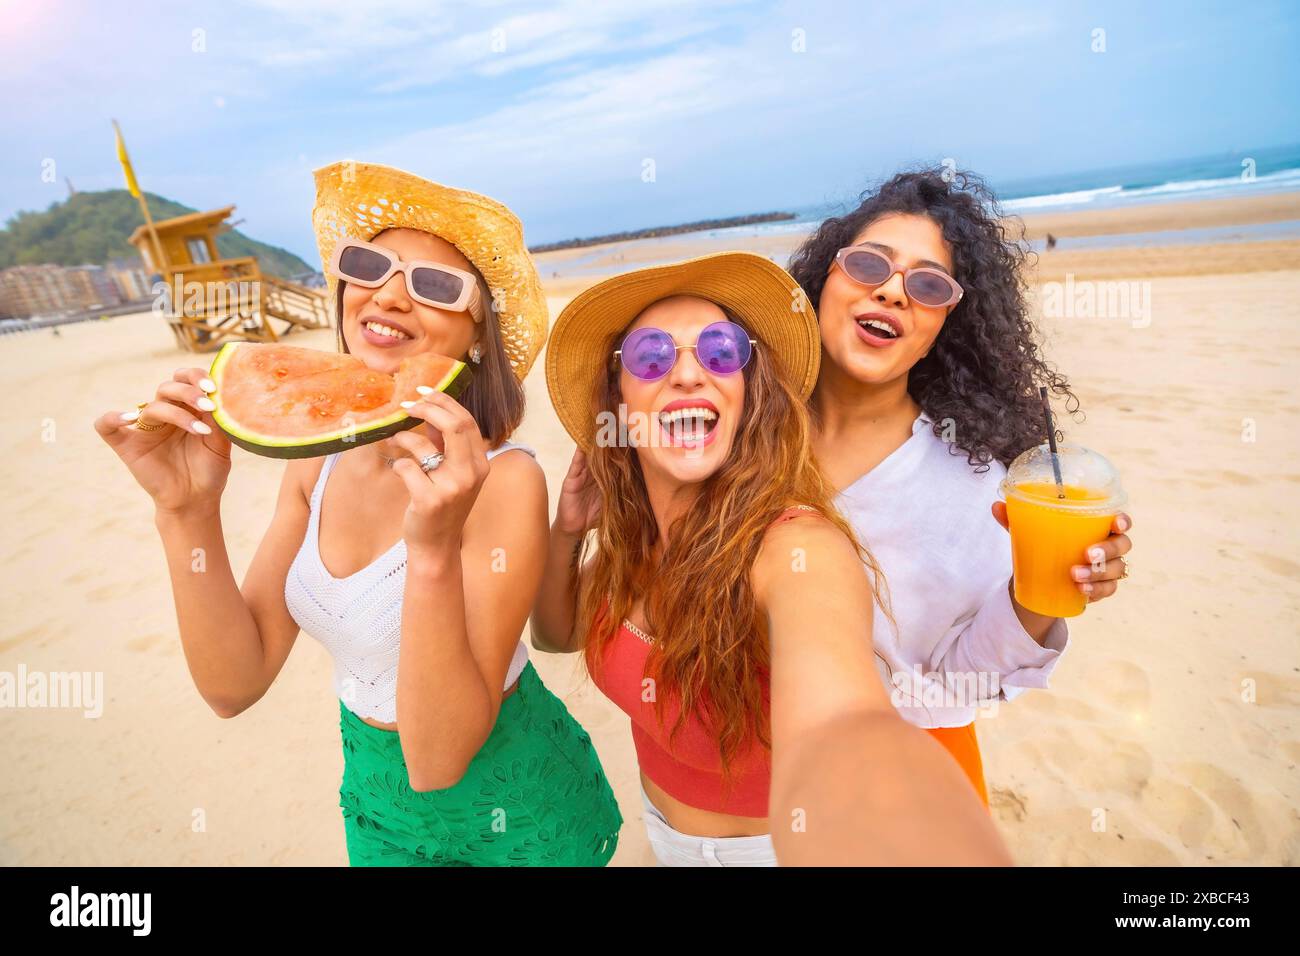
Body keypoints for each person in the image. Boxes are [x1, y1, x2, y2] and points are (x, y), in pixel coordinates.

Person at [94, 161, 622, 867]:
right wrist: (185, 512)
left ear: (476, 338)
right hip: (375, 811)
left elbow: (438, 760)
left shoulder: (505, 483)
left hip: (519, 814)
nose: (390, 296)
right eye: (368, 265)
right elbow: (234, 684)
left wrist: (431, 551)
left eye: (435, 285)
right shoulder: (318, 460)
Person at [531, 252, 1009, 866]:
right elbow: (554, 635)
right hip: (663, 837)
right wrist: (568, 530)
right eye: (651, 356)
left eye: (720, 352)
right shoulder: (633, 540)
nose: (687, 375)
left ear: (745, 392)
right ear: (619, 407)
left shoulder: (794, 550)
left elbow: (844, 727)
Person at [786, 167, 1136, 802]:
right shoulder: (747, 432)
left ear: (949, 325)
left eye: (928, 284)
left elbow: (955, 683)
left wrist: (1038, 597)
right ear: (823, 279)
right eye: (869, 265)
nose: (893, 292)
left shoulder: (979, 482)